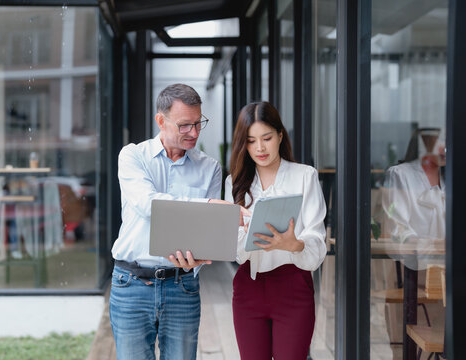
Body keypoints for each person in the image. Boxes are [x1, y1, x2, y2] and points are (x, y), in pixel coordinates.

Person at [109, 83, 225, 360]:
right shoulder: (132, 156)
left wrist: (201, 255)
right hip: (131, 286)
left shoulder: (210, 168)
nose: (194, 133)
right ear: (161, 121)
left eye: (199, 123)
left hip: (182, 287)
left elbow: (207, 230)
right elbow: (149, 205)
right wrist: (206, 206)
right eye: (185, 125)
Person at [225, 101, 327, 360]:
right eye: (250, 141)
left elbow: (316, 240)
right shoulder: (234, 183)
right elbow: (235, 251)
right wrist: (245, 231)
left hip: (293, 287)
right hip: (248, 287)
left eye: (267, 138)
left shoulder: (305, 176)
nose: (259, 148)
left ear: (280, 136)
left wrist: (293, 244)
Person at [382, 127, 446, 270]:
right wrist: (432, 246)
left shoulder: (451, 178)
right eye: (441, 140)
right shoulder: (401, 174)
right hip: (415, 270)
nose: (445, 147)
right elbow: (398, 228)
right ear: (424, 142)